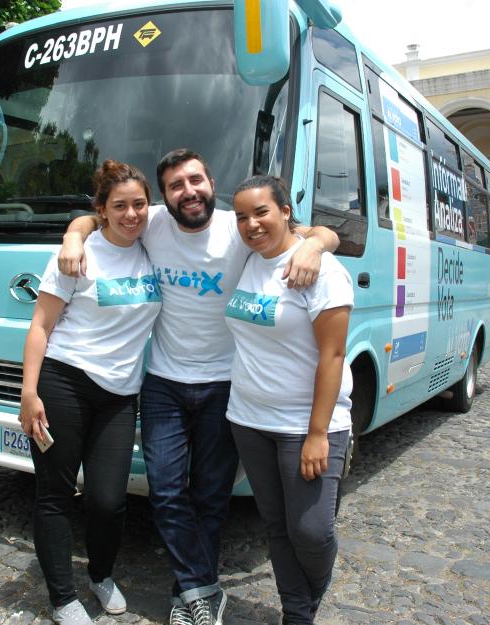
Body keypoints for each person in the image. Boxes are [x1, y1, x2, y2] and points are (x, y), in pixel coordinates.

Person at [58, 149, 339, 625]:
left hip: (225, 386)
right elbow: (97, 216)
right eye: (175, 185)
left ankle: (186, 595)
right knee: (166, 492)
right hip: (164, 383)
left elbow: (312, 232)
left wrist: (315, 246)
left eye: (195, 180)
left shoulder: (239, 227)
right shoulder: (153, 224)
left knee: (210, 497)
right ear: (165, 197)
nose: (188, 191)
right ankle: (201, 590)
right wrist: (72, 235)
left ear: (212, 183)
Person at [19, 160, 162, 625]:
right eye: (119, 206)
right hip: (65, 383)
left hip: (120, 395)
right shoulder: (77, 256)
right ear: (102, 210)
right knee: (55, 494)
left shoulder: (153, 246)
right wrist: (29, 392)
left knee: (108, 499)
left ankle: (100, 575)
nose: (131, 214)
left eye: (139, 204)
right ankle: (62, 598)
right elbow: (40, 326)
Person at [225, 176, 353, 625]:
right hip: (248, 419)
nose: (251, 224)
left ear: (285, 211)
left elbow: (333, 355)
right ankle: (297, 615)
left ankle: (307, 599)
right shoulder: (248, 259)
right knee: (277, 526)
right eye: (241, 217)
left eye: (261, 212)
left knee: (311, 531)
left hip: (306, 425)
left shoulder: (322, 271)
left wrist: (318, 433)